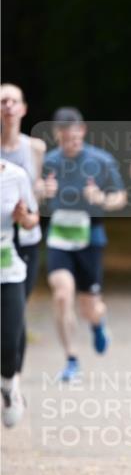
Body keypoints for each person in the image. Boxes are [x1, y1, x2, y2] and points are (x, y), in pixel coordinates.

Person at [43, 107, 126, 382]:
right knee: (62, 294)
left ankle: (98, 323)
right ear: (57, 136)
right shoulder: (48, 161)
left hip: (90, 236)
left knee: (90, 306)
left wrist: (101, 199)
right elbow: (30, 194)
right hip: (59, 237)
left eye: (76, 138)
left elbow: (121, 197)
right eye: (66, 139)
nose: (71, 143)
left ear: (83, 131)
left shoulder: (101, 160)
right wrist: (43, 192)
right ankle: (71, 360)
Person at [1, 83, 46, 373]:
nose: (7, 106)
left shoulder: (35, 148)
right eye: (2, 101)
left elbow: (36, 197)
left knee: (16, 309)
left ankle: (11, 376)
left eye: (13, 101)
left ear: (23, 108)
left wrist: (42, 191)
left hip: (27, 237)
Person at [1, 160, 40, 426]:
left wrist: (24, 217)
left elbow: (32, 219)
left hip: (7, 267)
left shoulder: (15, 175)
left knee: (9, 341)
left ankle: (8, 386)